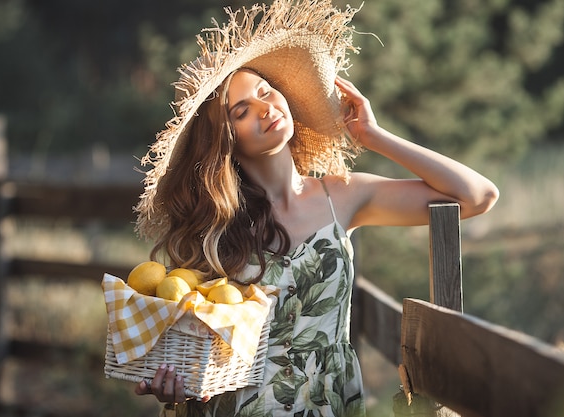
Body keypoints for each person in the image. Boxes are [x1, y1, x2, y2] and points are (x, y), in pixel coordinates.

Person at [131, 1, 499, 416]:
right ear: (225, 140)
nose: (265, 108)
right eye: (242, 111)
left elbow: (478, 196)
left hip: (329, 405)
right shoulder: (216, 226)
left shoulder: (342, 195)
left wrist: (374, 137)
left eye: (265, 92)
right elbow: (184, 346)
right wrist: (171, 387)